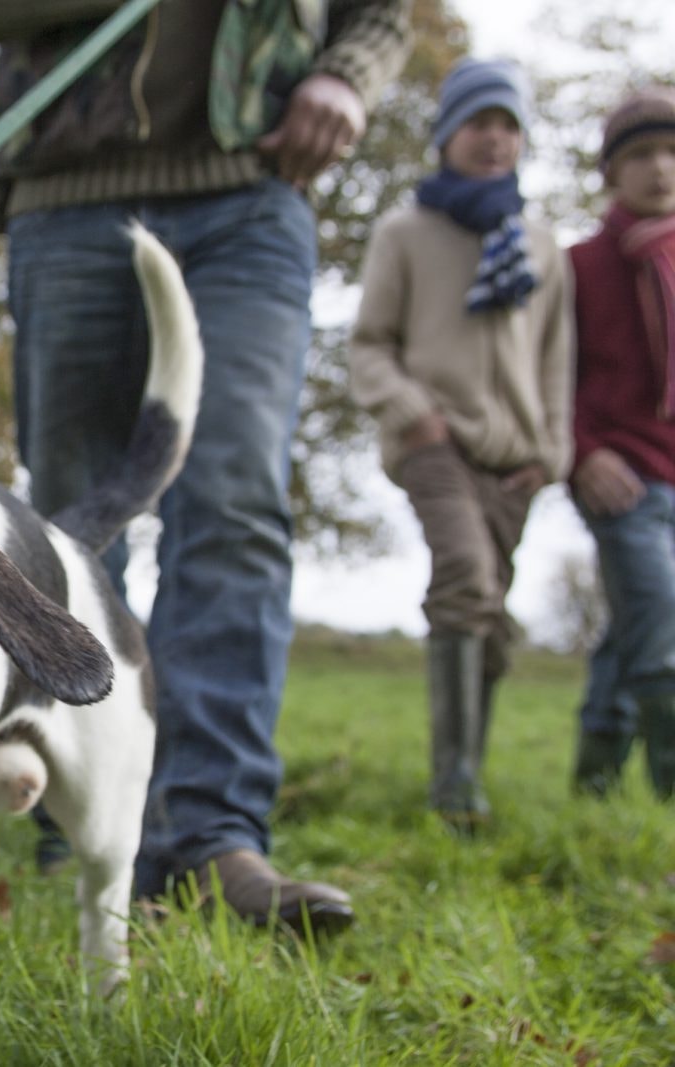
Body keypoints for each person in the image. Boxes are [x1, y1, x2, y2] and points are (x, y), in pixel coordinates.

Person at [0, 0, 412, 931]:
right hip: (67, 192)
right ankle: (72, 824)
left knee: (235, 509)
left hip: (253, 186)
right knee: (69, 530)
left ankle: (212, 838)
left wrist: (346, 73)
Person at [348, 58, 573, 829]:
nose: (496, 139)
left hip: (516, 457)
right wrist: (415, 411)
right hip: (433, 441)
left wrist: (553, 451)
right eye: (480, 122)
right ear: (449, 133)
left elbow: (555, 358)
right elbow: (370, 343)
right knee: (466, 577)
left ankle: (467, 763)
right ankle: (454, 784)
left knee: (491, 614)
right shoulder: (406, 231)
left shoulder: (540, 244)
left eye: (509, 125)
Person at [566, 86, 675, 800]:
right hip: (621, 475)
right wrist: (582, 454)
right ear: (611, 171)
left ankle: (595, 777)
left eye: (671, 152)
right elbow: (550, 377)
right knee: (662, 623)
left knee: (631, 626)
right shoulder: (580, 266)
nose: (660, 168)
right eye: (640, 154)